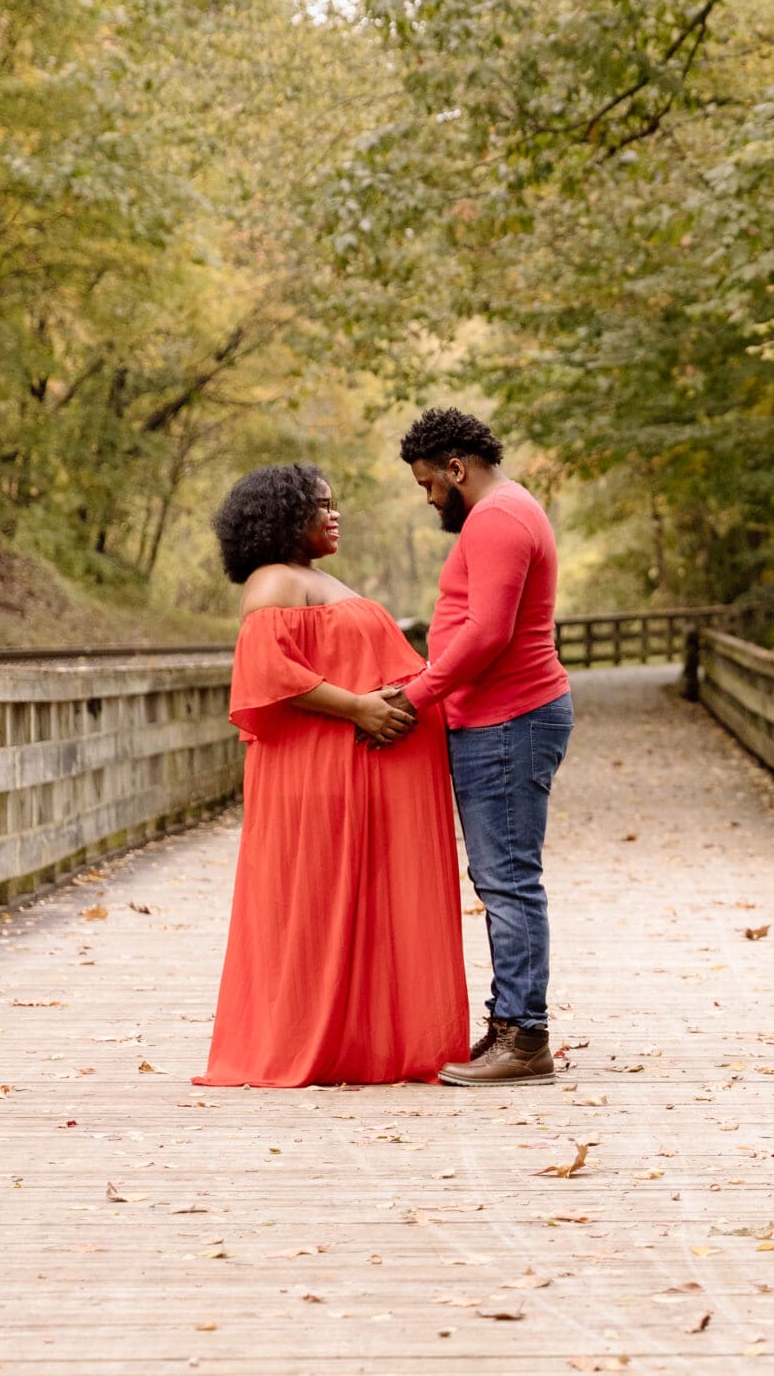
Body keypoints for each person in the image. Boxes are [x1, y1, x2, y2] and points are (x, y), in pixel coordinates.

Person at [194, 463, 469, 1087]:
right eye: (322, 505)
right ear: (285, 516)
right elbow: (270, 673)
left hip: (357, 770)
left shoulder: (315, 578)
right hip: (319, 772)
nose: (334, 513)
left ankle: (365, 1041)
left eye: (335, 501)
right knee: (318, 899)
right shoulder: (273, 581)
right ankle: (310, 1040)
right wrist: (363, 709)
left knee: (360, 903)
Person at [380, 407, 572, 1087]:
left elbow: (488, 632)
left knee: (507, 879)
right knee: (500, 878)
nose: (430, 497)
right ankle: (509, 1021)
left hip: (508, 719)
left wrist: (417, 695)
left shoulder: (497, 517)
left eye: (430, 483)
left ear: (456, 467)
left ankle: (525, 1037)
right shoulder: (510, 511)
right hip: (501, 717)